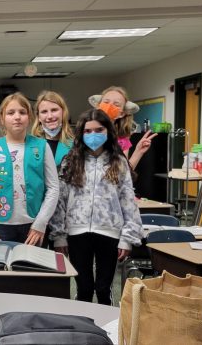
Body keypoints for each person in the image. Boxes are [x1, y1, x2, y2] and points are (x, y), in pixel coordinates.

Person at [49, 109, 142, 305]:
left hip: (109, 234)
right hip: (77, 233)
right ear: (81, 134)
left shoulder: (118, 162)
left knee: (103, 288)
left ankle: (106, 329)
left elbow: (127, 200)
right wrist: (59, 236)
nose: (93, 135)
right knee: (83, 287)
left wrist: (127, 239)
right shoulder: (71, 161)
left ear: (108, 131)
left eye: (98, 130)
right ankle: (82, 329)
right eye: (88, 131)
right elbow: (61, 200)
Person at [0, 92, 59, 247]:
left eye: (22, 112)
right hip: (0, 224)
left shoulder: (41, 146)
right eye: (11, 113)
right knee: (3, 269)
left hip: (34, 223)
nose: (17, 117)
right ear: (2, 118)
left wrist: (41, 223)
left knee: (32, 269)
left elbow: (53, 188)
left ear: (29, 117)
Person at [89, 86, 157, 169]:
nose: (109, 106)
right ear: (98, 106)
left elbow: (125, 171)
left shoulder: (122, 140)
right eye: (106, 102)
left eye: (116, 104)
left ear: (122, 113)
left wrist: (138, 151)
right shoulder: (86, 133)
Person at [30, 90, 74, 168]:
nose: (49, 116)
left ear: (63, 112)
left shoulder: (76, 145)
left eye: (54, 110)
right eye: (44, 112)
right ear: (38, 117)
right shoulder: (29, 145)